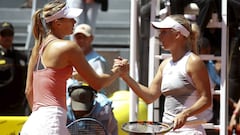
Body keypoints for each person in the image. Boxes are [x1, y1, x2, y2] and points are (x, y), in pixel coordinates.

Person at [20, 0, 121, 134]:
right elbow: (97, 83)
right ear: (58, 23)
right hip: (51, 124)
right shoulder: (68, 47)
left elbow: (29, 91)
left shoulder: (37, 49)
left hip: (33, 124)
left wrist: (43, 118)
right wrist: (118, 71)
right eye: (70, 18)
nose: (75, 21)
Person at [115, 15, 212, 134]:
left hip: (190, 132)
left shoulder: (193, 62)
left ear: (177, 34)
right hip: (168, 131)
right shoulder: (165, 65)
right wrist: (125, 76)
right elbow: (149, 96)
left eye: (164, 32)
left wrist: (186, 114)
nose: (159, 37)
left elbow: (206, 100)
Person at [0, 21, 28, 116]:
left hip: (17, 107)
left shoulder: (21, 57)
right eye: (4, 34)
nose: (7, 37)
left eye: (10, 34)